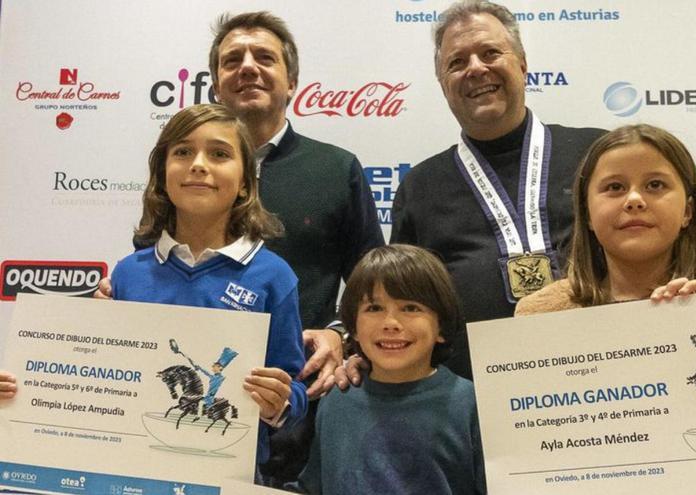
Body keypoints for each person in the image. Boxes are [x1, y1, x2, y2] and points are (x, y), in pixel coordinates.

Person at [388, 0, 696, 380]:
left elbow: (680, 240)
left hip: (629, 382)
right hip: (475, 400)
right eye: (457, 63)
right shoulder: (420, 186)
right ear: (443, 84)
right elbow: (402, 305)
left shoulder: (601, 156)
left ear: (523, 65)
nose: (476, 68)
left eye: (490, 52)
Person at [97, 11, 384, 485]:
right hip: (149, 454)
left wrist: (338, 332)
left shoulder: (337, 168)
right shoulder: (144, 251)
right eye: (232, 60)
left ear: (291, 80)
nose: (247, 66)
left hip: (289, 429)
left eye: (264, 58)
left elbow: (371, 282)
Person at [110, 103, 307, 473]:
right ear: (162, 174)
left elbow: (294, 388)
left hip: (230, 471)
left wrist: (279, 403)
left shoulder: (273, 276)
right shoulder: (127, 274)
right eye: (183, 152)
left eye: (219, 154)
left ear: (246, 181)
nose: (199, 164)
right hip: (136, 471)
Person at [296, 245, 485, 494]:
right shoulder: (337, 400)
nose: (391, 323)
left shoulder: (472, 405)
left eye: (411, 308)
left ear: (441, 326)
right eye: (374, 308)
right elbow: (313, 486)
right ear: (352, 327)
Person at [515, 123, 696, 316]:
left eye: (655, 185)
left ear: (688, 211)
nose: (634, 200)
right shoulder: (539, 315)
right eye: (615, 187)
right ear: (587, 213)